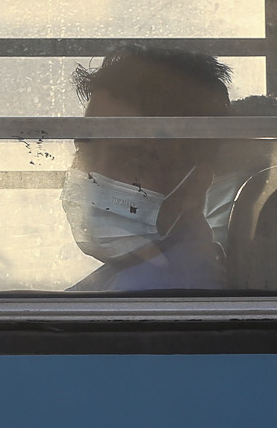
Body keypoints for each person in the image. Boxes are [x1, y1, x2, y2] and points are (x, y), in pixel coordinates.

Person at [62, 45, 231, 292]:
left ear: (194, 186)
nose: (95, 175)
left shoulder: (153, 294)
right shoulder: (136, 266)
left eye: (131, 161)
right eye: (85, 151)